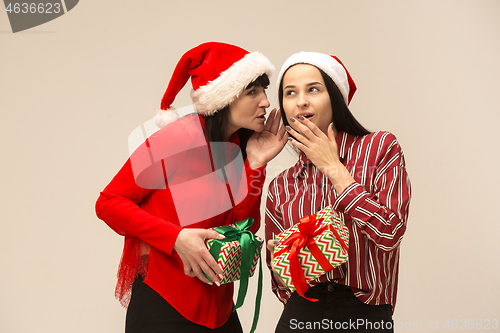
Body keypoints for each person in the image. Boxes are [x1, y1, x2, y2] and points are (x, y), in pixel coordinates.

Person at [95, 42, 287, 333]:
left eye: (263, 91)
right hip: (164, 305)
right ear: (224, 98)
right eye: (252, 92)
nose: (265, 102)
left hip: (219, 311)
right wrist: (176, 238)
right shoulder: (176, 138)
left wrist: (256, 164)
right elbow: (109, 202)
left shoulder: (239, 146)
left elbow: (244, 227)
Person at [265, 51, 412, 332]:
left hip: (364, 316)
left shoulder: (380, 148)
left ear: (335, 96)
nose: (301, 101)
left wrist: (333, 167)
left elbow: (390, 233)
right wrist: (282, 262)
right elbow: (280, 283)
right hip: (302, 314)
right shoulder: (281, 185)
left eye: (313, 89)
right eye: (290, 93)